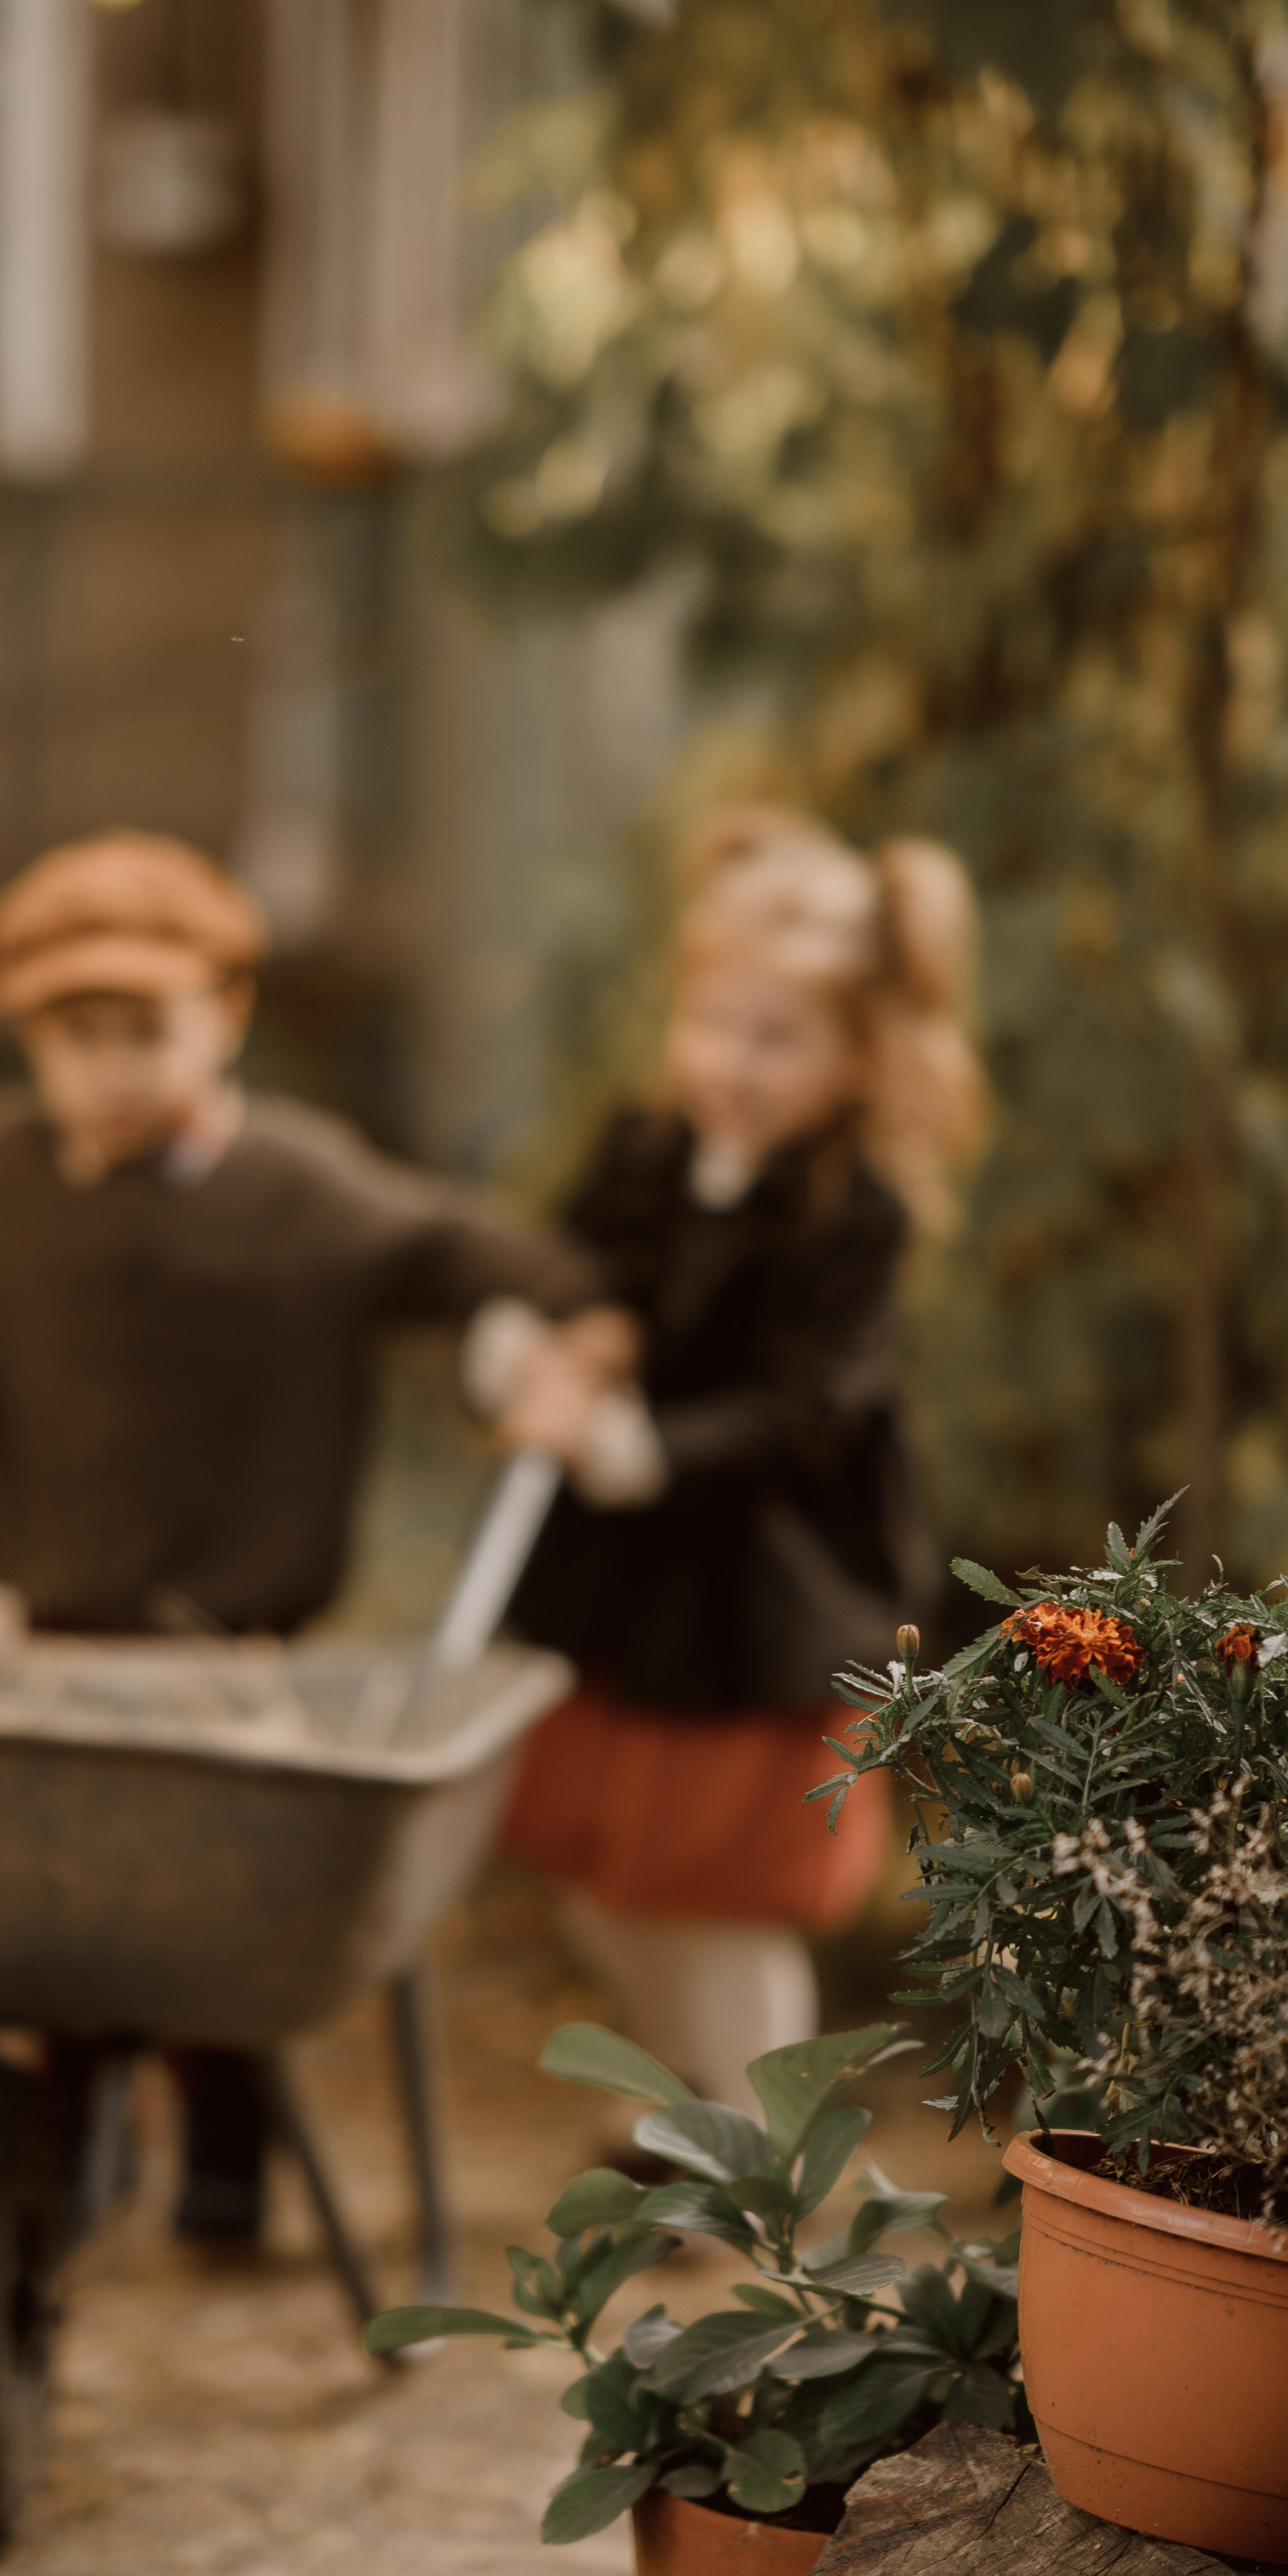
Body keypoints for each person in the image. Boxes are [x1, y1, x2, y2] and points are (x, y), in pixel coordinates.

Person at [0, 829, 591, 2242]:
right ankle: (77, 2125)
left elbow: (472, 1251)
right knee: (73, 1889)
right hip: (64, 1621)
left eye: (146, 1031)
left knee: (224, 1905)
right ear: (28, 1042)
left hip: (244, 1631)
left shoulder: (302, 1188)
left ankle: (227, 2139)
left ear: (229, 1018)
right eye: (74, 1036)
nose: (111, 1070)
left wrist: (561, 1341)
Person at [469, 807, 987, 2119]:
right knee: (602, 1875)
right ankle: (689, 2103)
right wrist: (536, 1345)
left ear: (861, 1056)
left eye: (776, 1039)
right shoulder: (650, 1148)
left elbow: (813, 1403)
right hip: (625, 1587)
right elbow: (576, 1267)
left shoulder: (854, 1209)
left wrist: (647, 1445)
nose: (730, 1064)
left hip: (760, 1587)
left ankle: (770, 2143)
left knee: (720, 1892)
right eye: (714, 1024)